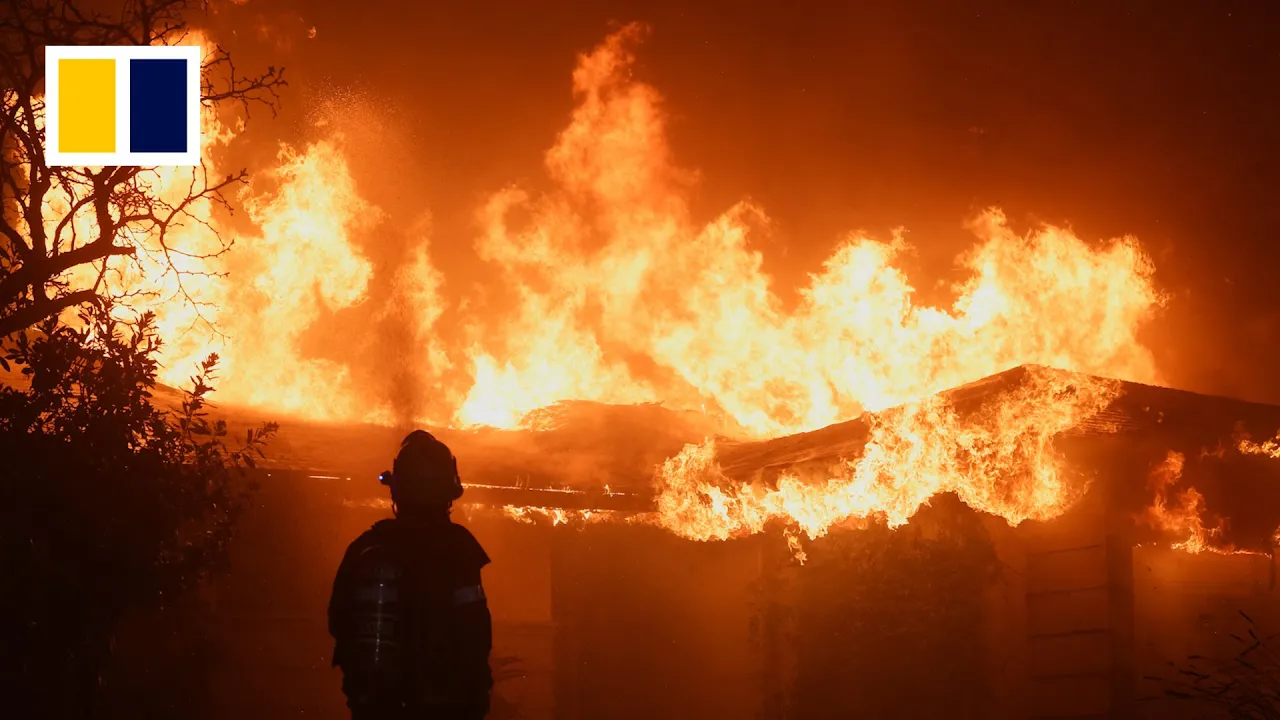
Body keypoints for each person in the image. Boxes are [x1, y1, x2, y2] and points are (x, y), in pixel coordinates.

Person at [328, 430, 493, 719]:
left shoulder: (367, 547)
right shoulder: (459, 548)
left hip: (377, 707)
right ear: (449, 493)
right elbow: (475, 631)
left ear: (396, 490)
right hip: (443, 707)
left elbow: (339, 621)